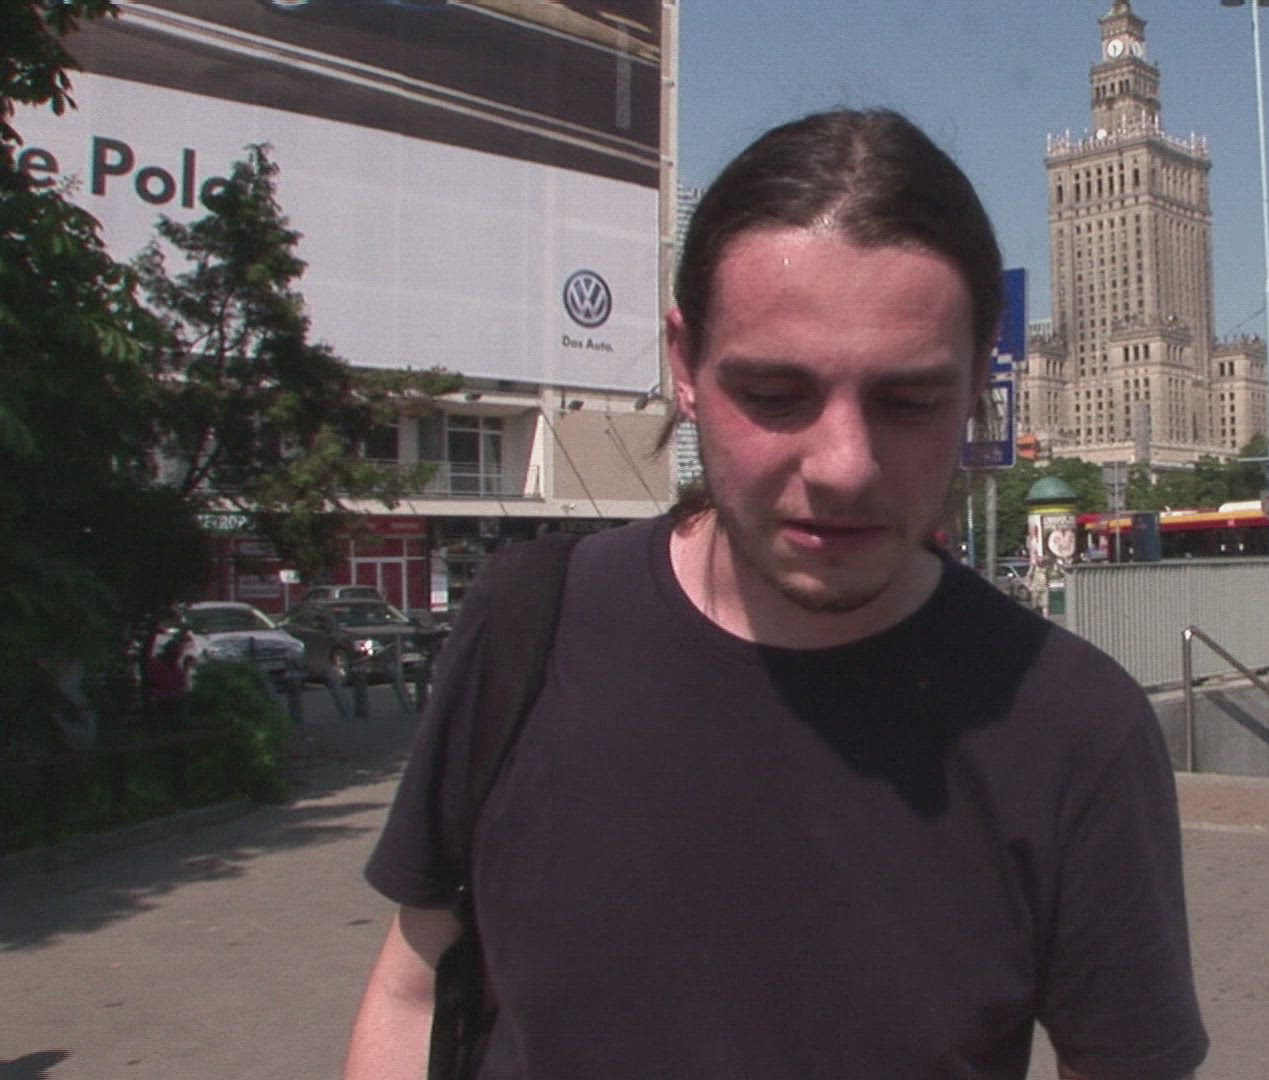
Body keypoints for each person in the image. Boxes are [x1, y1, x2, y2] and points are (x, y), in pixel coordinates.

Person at [344, 109, 1206, 1080]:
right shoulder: (528, 627)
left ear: (978, 383)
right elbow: (415, 990)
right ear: (684, 366)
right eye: (775, 394)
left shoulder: (1076, 728)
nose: (843, 466)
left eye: (908, 402)